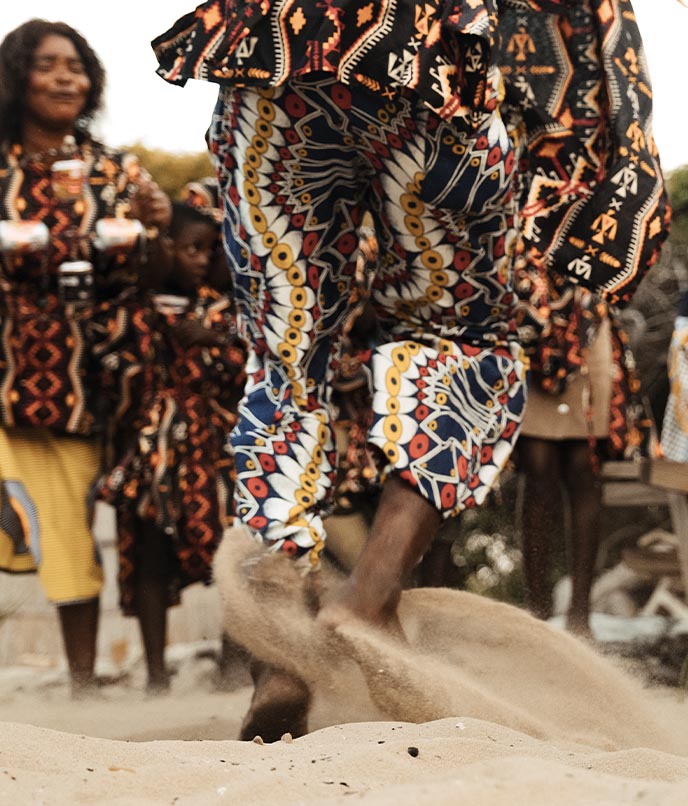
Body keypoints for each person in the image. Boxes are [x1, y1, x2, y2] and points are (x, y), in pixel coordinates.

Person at [152, 0, 669, 739]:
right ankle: (370, 594)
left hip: (276, 64)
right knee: (460, 339)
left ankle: (280, 654)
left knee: (284, 358)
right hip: (436, 73)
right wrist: (604, 160)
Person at [0, 19, 171, 697]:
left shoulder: (116, 168)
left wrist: (155, 223)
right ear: (18, 78)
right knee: (52, 524)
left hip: (105, 378)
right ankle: (80, 682)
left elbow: (156, 273)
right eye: (49, 65)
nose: (68, 76)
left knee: (106, 525)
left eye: (77, 65)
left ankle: (119, 682)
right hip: (18, 377)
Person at [96, 199, 247, 693]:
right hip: (152, 459)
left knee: (232, 557)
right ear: (164, 249)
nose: (203, 259)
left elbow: (244, 373)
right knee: (151, 556)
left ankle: (234, 666)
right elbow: (112, 375)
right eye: (192, 249)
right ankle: (156, 675)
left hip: (215, 454)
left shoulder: (224, 313)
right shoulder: (134, 310)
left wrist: (212, 342)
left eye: (210, 250)